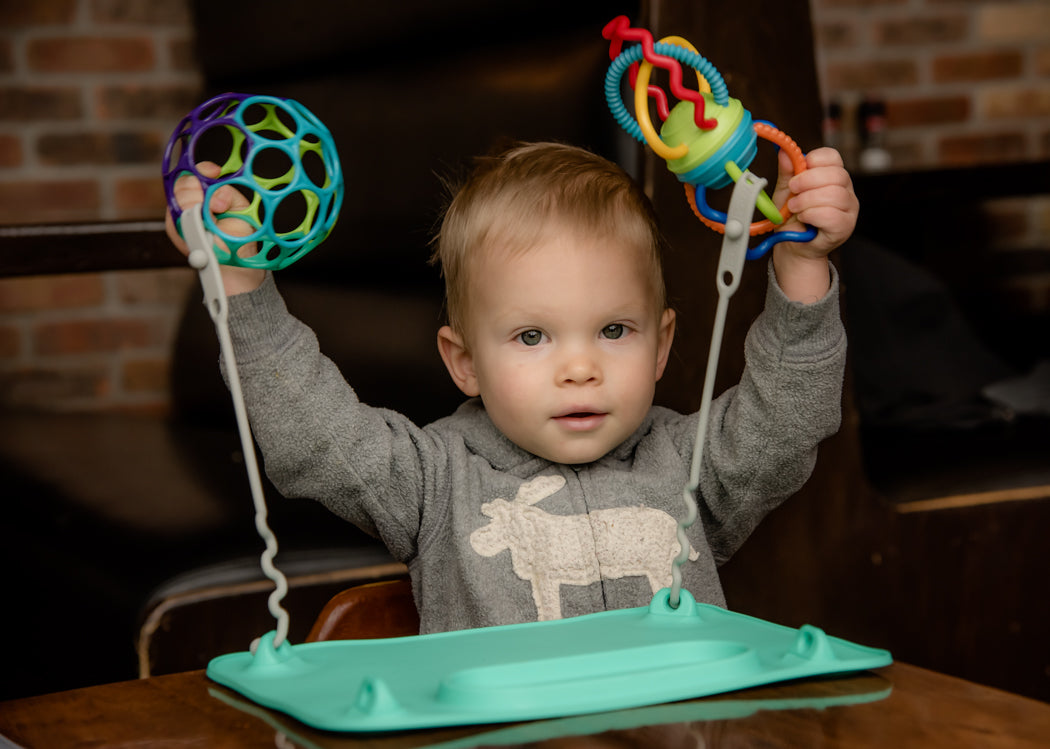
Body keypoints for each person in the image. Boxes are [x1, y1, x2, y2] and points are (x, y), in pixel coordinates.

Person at [165, 141, 858, 634]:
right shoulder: (434, 480)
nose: (579, 367)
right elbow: (316, 433)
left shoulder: (688, 468)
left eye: (614, 330)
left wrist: (801, 269)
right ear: (463, 362)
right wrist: (243, 292)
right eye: (532, 337)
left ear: (662, 346)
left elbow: (784, 421)